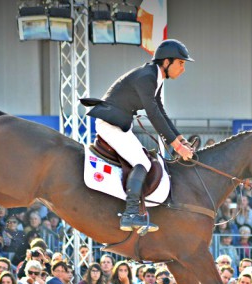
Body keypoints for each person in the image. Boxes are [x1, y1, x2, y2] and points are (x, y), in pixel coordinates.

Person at [82, 39, 195, 232]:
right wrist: (177, 147)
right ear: (166, 62)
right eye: (181, 63)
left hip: (118, 125)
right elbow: (154, 114)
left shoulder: (154, 77)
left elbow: (161, 111)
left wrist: (181, 140)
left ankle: (134, 211)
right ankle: (131, 214)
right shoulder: (147, 77)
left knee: (143, 160)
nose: (183, 68)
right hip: (110, 125)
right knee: (142, 163)